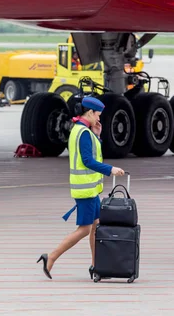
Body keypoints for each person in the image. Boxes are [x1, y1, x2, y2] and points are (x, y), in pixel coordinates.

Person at [37, 96, 125, 280]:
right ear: (90, 112)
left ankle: (97, 266)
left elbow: (92, 153)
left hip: (90, 189)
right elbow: (88, 161)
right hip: (85, 190)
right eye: (98, 115)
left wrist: (98, 136)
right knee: (85, 229)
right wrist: (111, 169)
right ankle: (51, 257)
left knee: (96, 228)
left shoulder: (82, 130)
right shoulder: (83, 133)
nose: (99, 119)